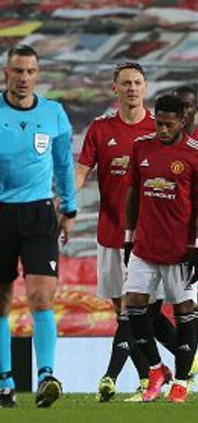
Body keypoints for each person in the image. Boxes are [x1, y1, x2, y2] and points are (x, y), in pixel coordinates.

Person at [122, 94, 198, 403]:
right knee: (133, 305)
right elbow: (133, 193)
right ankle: (156, 370)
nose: (162, 130)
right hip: (145, 247)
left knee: (185, 309)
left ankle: (182, 382)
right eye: (158, 123)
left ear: (182, 121)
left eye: (168, 125)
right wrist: (128, 237)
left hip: (181, 250)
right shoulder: (141, 148)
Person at [0, 44, 77, 408]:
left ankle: (46, 376)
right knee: (2, 301)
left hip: (39, 214)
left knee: (42, 296)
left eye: (30, 71)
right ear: (6, 73)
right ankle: (5, 381)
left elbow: (63, 164)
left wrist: (70, 209)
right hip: (1, 214)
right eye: (18, 71)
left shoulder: (53, 113)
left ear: (37, 75)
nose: (23, 78)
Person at [75, 61, 154, 403]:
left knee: (134, 310)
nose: (132, 88)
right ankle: (151, 376)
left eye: (137, 82)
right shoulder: (100, 128)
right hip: (110, 233)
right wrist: (68, 198)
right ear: (115, 89)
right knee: (122, 309)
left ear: (145, 87)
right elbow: (81, 170)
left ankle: (113, 377)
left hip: (147, 237)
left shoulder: (158, 128)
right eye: (126, 83)